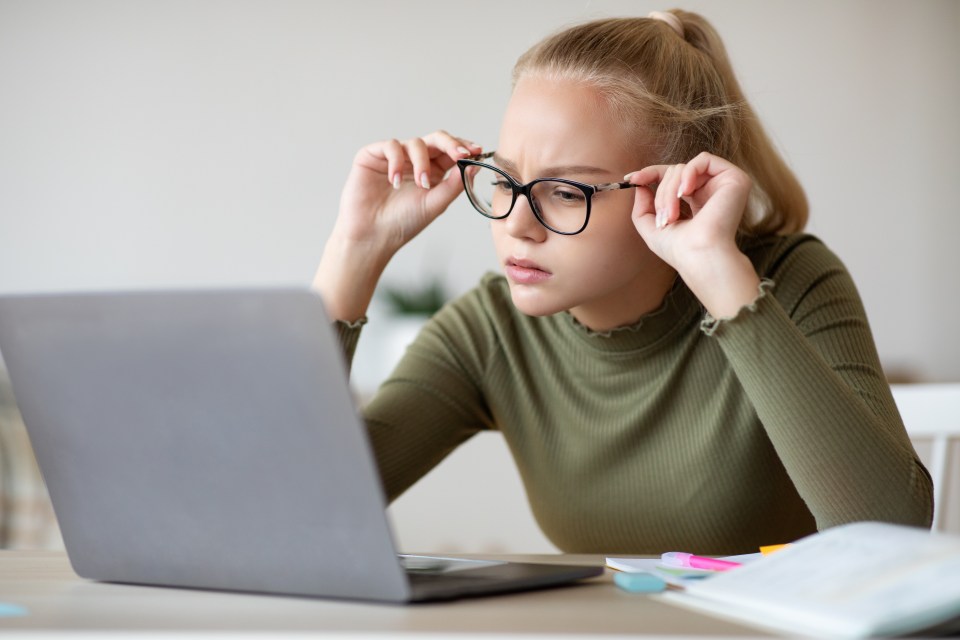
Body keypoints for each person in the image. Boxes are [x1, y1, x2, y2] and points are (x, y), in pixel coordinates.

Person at [313, 9, 932, 554]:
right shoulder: (491, 329)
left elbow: (887, 531)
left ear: (672, 189)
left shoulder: (790, 281)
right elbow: (302, 512)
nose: (517, 226)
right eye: (504, 180)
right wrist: (355, 250)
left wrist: (723, 279)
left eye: (565, 190)